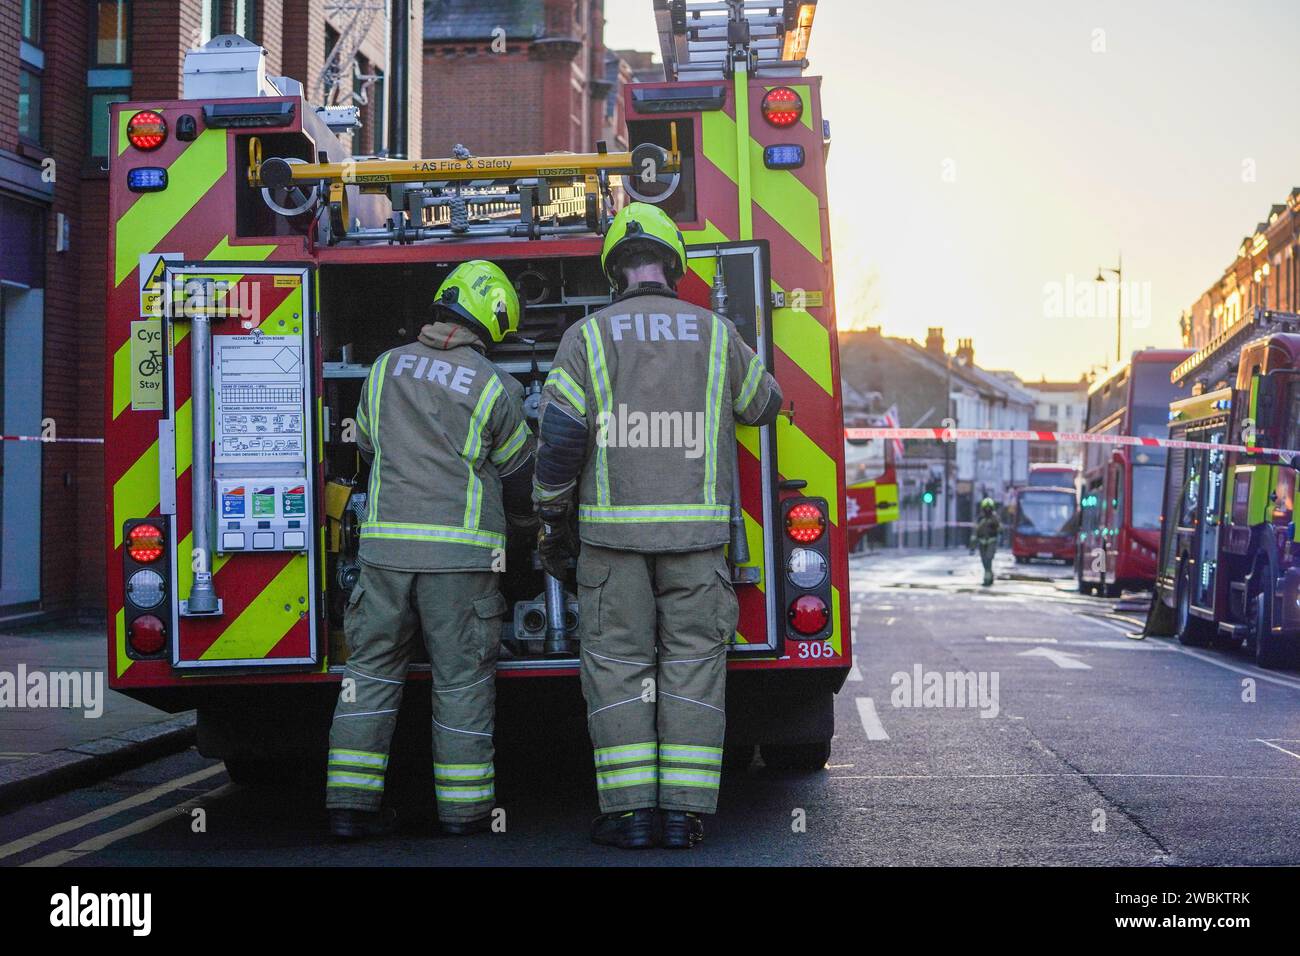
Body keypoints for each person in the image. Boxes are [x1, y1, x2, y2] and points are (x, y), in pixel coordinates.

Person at [533, 202, 783, 850]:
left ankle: (629, 815)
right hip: (697, 546)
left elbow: (559, 440)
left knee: (617, 669)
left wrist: (551, 521)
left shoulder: (585, 339)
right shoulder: (716, 333)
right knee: (693, 669)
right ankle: (683, 815)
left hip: (610, 545)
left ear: (615, 270)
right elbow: (766, 404)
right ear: (672, 264)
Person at [325, 260, 536, 839]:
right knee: (462, 682)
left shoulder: (384, 368)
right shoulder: (497, 386)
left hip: (386, 555)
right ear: (490, 323)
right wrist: (526, 535)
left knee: (367, 675)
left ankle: (349, 808)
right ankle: (464, 812)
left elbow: (364, 444)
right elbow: (521, 478)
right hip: (463, 564)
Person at [970, 497, 1000, 587]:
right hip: (981, 541)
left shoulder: (995, 517)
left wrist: (993, 523)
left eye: (989, 508)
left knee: (988, 558)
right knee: (984, 561)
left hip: (991, 541)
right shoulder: (980, 518)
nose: (987, 510)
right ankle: (989, 575)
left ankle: (987, 578)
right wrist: (972, 545)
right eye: (986, 508)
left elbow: (1000, 529)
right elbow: (975, 531)